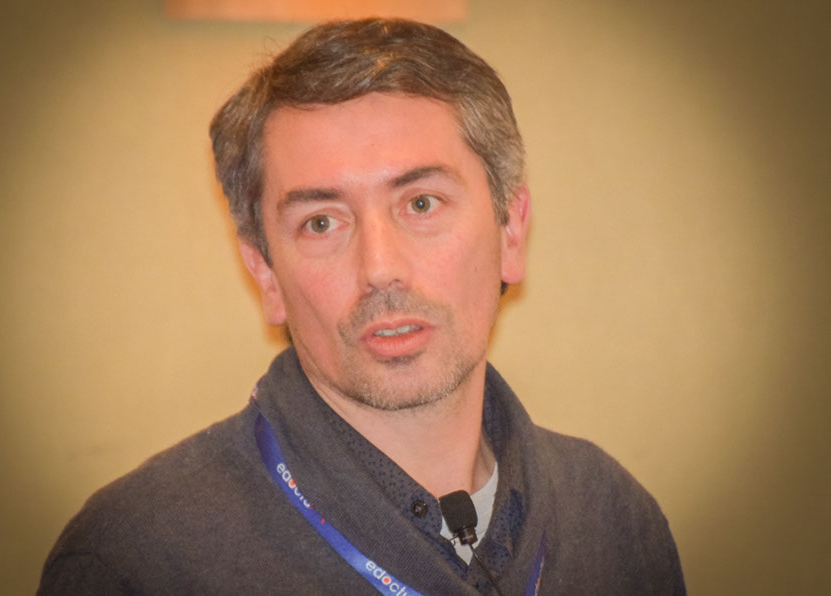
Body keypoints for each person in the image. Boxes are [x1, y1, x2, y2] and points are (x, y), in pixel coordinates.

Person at [38, 18, 685, 595]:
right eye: (321, 222)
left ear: (510, 233)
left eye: (421, 204)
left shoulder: (615, 518)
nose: (379, 269)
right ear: (264, 272)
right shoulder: (136, 561)